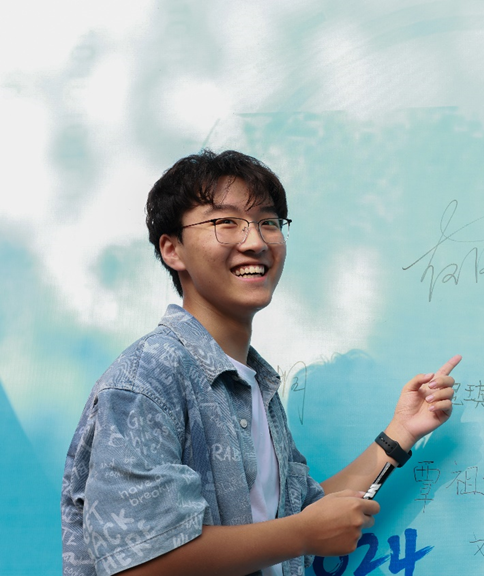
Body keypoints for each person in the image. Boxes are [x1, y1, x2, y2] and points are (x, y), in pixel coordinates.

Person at [60, 149, 461, 576]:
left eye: (268, 222)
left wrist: (401, 432)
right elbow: (140, 562)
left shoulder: (255, 384)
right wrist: (302, 534)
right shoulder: (148, 377)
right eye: (225, 222)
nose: (255, 241)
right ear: (172, 249)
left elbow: (301, 515)